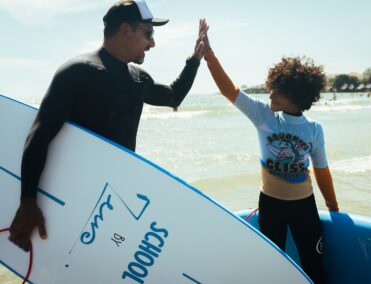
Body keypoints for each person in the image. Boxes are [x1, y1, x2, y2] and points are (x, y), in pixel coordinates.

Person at [9, 0, 208, 252]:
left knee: (113, 258)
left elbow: (172, 96)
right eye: (149, 33)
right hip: (75, 199)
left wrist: (195, 59)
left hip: (115, 201)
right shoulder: (78, 72)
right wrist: (28, 201)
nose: (152, 43)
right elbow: (39, 136)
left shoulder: (138, 78)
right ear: (126, 30)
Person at [202, 24, 338, 283]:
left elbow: (322, 171)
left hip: (304, 207)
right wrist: (210, 55)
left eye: (279, 91)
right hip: (271, 205)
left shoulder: (314, 130)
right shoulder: (264, 116)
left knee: (314, 264)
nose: (271, 94)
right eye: (272, 87)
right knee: (272, 267)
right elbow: (229, 90)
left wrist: (333, 208)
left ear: (297, 96)